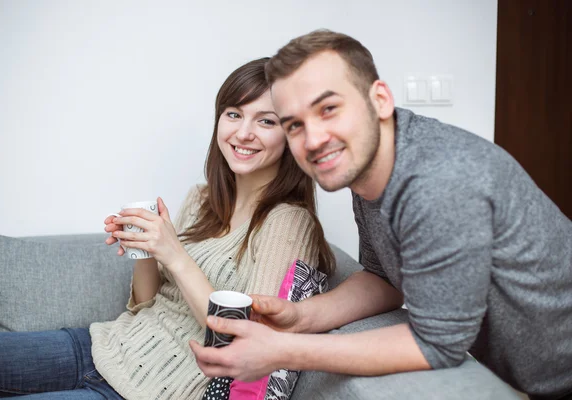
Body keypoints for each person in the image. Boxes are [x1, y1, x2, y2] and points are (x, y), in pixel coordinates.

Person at [190, 30, 572, 400]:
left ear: (380, 100)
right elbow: (383, 280)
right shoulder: (367, 168)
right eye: (295, 125)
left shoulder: (439, 180)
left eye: (329, 109)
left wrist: (284, 349)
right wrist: (298, 315)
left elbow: (436, 345)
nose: (314, 138)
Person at [0, 57, 335, 400]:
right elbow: (147, 303)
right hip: (102, 346)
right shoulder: (203, 199)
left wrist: (174, 254)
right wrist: (146, 248)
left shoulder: (288, 221)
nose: (243, 132)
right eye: (234, 114)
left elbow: (247, 345)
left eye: (266, 121)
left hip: (149, 391)